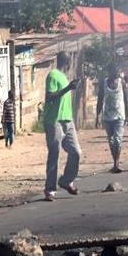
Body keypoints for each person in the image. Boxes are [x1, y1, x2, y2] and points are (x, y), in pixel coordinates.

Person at [42, 52, 81, 201]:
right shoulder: (52, 75)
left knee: (76, 152)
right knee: (54, 154)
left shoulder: (64, 77)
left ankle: (66, 181)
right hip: (54, 121)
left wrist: (70, 86)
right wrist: (68, 88)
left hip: (67, 120)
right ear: (68, 61)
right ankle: (50, 190)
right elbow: (49, 96)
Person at [96, 65, 128, 173]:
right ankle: (114, 161)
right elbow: (100, 100)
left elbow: (126, 99)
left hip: (120, 116)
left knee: (117, 140)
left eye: (117, 75)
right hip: (107, 117)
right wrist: (97, 116)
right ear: (109, 73)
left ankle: (116, 163)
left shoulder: (122, 83)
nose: (115, 77)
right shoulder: (104, 83)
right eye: (113, 74)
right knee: (111, 141)